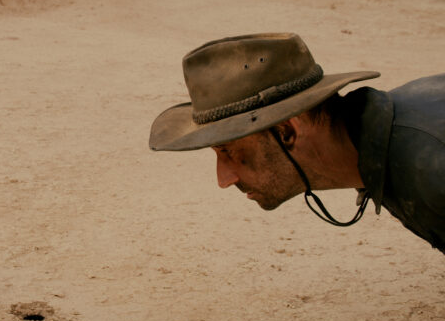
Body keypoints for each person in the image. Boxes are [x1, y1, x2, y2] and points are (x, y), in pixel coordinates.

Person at [149, 33, 444, 254]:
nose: (223, 179)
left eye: (228, 151)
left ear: (286, 131)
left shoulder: (431, 168)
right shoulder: (393, 140)